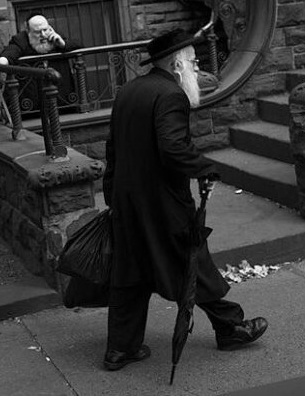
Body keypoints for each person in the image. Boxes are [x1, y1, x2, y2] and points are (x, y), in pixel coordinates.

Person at [101, 28, 268, 371]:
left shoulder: (129, 91)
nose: (195, 67)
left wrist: (112, 195)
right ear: (177, 64)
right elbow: (173, 148)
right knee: (192, 265)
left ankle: (120, 348)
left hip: (128, 201)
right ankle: (231, 327)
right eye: (192, 61)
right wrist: (206, 168)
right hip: (163, 204)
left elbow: (112, 150)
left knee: (131, 274)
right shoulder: (170, 95)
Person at [0, 14, 82, 69]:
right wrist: (2, 61)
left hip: (62, 96)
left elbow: (79, 45)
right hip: (31, 99)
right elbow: (11, 51)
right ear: (28, 31)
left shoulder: (56, 36)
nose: (43, 35)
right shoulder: (21, 39)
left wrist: (63, 44)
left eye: (45, 30)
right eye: (37, 32)